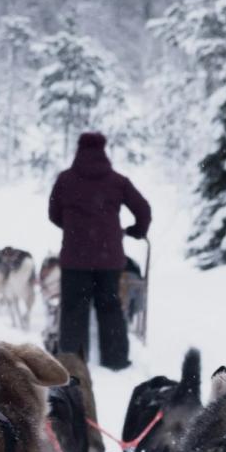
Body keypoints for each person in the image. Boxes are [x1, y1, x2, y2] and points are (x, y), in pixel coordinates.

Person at [48, 131, 151, 371]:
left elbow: (53, 213)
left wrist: (74, 229)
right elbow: (143, 209)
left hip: (74, 259)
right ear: (104, 151)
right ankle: (115, 360)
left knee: (73, 308)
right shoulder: (117, 181)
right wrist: (136, 230)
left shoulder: (65, 180)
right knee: (110, 308)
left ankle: (73, 363)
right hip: (109, 260)